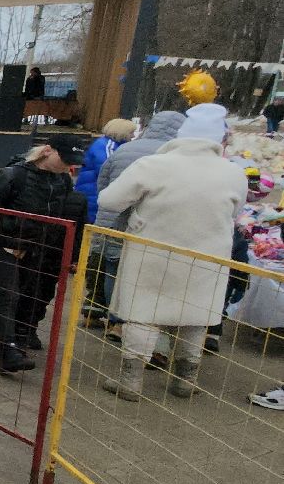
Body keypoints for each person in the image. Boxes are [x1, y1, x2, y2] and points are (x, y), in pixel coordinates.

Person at [95, 103, 248, 400]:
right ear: (218, 139)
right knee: (195, 316)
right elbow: (236, 211)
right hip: (207, 258)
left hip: (152, 254)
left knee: (143, 314)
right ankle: (185, 380)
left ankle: (131, 381)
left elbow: (109, 201)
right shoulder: (233, 174)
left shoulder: (153, 165)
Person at [0, 135, 85, 374]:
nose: (68, 166)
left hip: (36, 248)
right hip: (3, 244)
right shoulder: (12, 175)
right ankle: (9, 350)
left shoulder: (63, 181)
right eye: (64, 159)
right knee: (9, 294)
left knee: (18, 295)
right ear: (47, 151)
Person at [89, 111, 185, 325]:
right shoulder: (173, 156)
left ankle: (111, 319)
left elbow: (103, 184)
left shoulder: (124, 149)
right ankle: (130, 322)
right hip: (148, 226)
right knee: (141, 276)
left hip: (111, 219)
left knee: (112, 268)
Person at [74, 118, 136, 223]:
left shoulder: (107, 145)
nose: (133, 136)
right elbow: (109, 170)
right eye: (131, 132)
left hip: (91, 192)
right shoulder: (108, 147)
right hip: (94, 194)